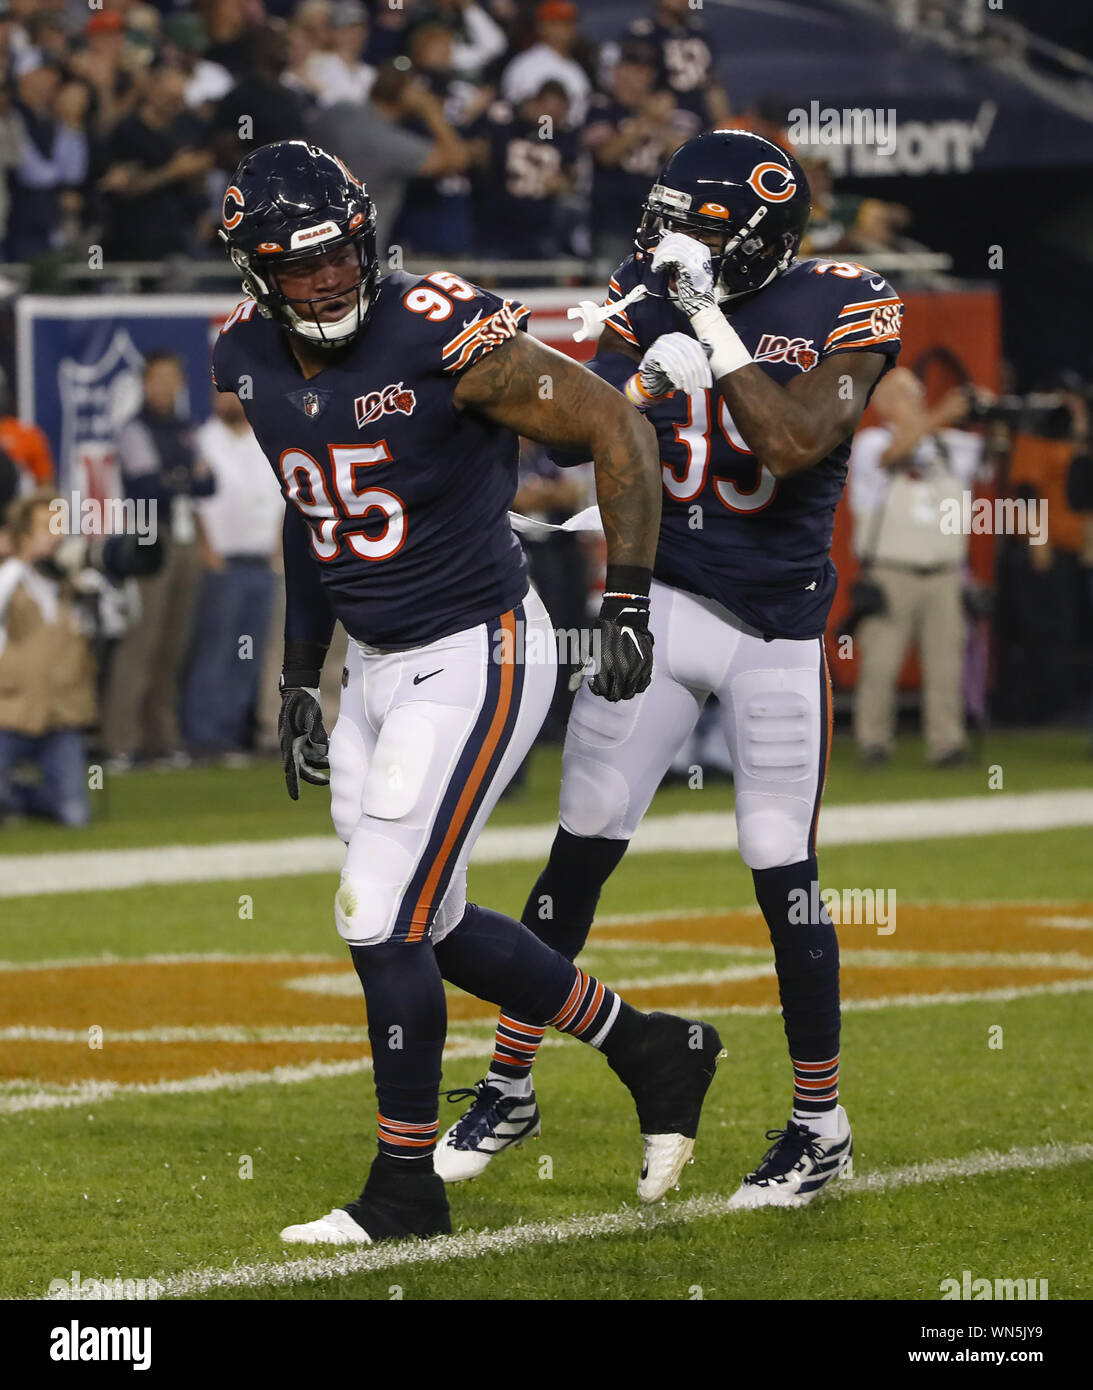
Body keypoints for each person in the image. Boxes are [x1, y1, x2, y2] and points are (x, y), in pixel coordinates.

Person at [212, 139, 724, 1245]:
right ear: (256, 273)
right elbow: (315, 521)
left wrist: (625, 602)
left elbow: (613, 424)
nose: (331, 280)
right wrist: (305, 671)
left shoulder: (437, 328)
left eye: (343, 254)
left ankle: (405, 1190)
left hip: (477, 647)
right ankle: (652, 1047)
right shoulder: (245, 356)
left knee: (375, 912)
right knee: (426, 922)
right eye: (301, 268)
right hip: (378, 672)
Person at [440, 130, 904, 1209]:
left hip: (777, 630)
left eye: (699, 225)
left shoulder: (848, 298)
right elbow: (565, 437)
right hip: (667, 599)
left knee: (780, 869)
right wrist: (630, 373)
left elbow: (790, 444)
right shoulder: (646, 286)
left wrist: (706, 323)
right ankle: (509, 1086)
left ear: (758, 236)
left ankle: (819, 1125)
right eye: (670, 218)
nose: (672, 241)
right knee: (577, 852)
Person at [848, 369, 982, 766]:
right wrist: (942, 414)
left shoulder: (951, 444)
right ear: (884, 403)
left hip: (944, 572)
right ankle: (874, 743)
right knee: (881, 663)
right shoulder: (871, 443)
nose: (918, 400)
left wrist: (989, 411)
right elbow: (894, 457)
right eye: (907, 395)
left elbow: (992, 452)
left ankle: (947, 743)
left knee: (946, 664)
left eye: (920, 394)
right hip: (891, 571)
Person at [100, 351, 215, 770]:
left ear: (180, 382)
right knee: (141, 641)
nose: (164, 385)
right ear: (145, 383)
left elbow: (210, 482)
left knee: (173, 642)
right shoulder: (136, 428)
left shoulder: (183, 427)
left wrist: (180, 478)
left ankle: (160, 739)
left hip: (184, 537)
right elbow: (149, 487)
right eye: (156, 378)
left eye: (171, 377)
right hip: (150, 535)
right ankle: (120, 741)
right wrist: (187, 477)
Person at [183, 390, 284, 762]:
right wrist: (207, 551)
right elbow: (195, 503)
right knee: (216, 649)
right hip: (223, 560)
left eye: (238, 395)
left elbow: (280, 496)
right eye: (224, 395)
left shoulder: (263, 438)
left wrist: (276, 549)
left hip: (262, 561)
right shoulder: (202, 441)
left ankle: (234, 732)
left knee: (249, 652)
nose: (232, 401)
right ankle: (205, 736)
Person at [307, 61, 473, 260]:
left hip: (308, 236)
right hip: (354, 256)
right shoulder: (389, 143)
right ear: (404, 95)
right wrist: (430, 110)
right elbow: (457, 158)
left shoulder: (338, 112)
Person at [0, 489, 97, 827]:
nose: (56, 536)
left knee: (75, 814)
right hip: (9, 713)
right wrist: (18, 561)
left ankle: (16, 798)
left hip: (59, 715)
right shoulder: (9, 578)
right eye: (46, 528)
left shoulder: (75, 584)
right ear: (23, 535)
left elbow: (124, 617)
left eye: (59, 526)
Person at [501, 0, 590, 127]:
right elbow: (519, 114)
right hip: (542, 139)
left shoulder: (576, 67)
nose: (567, 29)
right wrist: (546, 138)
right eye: (558, 23)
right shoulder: (526, 65)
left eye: (570, 22)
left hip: (571, 139)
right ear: (541, 27)